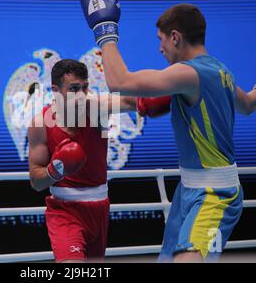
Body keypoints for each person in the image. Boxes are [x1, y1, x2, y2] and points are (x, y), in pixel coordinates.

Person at [80, 0, 256, 262]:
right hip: (188, 190)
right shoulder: (220, 70)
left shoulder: (188, 73)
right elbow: (248, 103)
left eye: (162, 40)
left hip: (215, 193)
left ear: (175, 37)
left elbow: (120, 82)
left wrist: (104, 30)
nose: (160, 48)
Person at [27, 59, 170, 262]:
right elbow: (36, 182)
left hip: (99, 208)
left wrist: (174, 92)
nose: (81, 95)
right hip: (64, 211)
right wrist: (56, 169)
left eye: (85, 88)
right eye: (74, 89)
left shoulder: (97, 108)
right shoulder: (40, 123)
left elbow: (135, 101)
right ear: (55, 90)